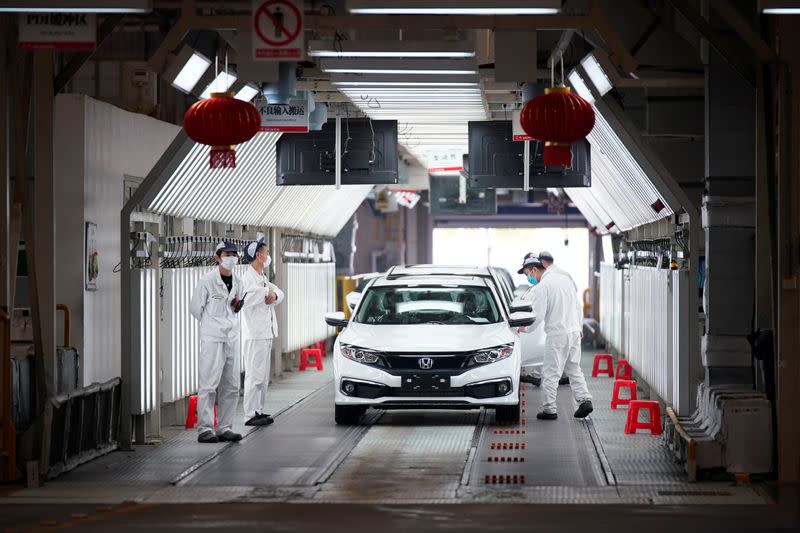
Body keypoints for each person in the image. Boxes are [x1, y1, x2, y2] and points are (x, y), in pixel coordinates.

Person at [523, 256, 593, 421]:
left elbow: (538, 315)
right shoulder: (564, 279)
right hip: (574, 331)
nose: (529, 278)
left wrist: (524, 328)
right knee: (574, 369)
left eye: (528, 274)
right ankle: (585, 400)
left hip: (557, 335)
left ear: (534, 269)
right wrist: (579, 325)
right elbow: (577, 305)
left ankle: (549, 410)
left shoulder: (543, 286)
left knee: (550, 373)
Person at [189, 241, 245, 443]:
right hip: (213, 339)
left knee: (231, 384)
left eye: (234, 254)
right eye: (227, 253)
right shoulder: (207, 281)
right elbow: (195, 308)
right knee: (209, 383)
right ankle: (205, 428)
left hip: (232, 337)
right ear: (217, 257)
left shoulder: (239, 281)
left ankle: (225, 427)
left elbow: (237, 306)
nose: (231, 257)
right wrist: (211, 326)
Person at [241, 237, 285, 427]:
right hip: (254, 334)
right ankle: (249, 414)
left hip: (266, 333)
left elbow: (279, 293)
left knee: (263, 377)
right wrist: (265, 293)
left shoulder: (262, 277)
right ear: (258, 255)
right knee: (254, 375)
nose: (268, 256)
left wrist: (272, 295)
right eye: (266, 253)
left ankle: (258, 410)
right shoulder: (247, 278)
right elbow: (246, 300)